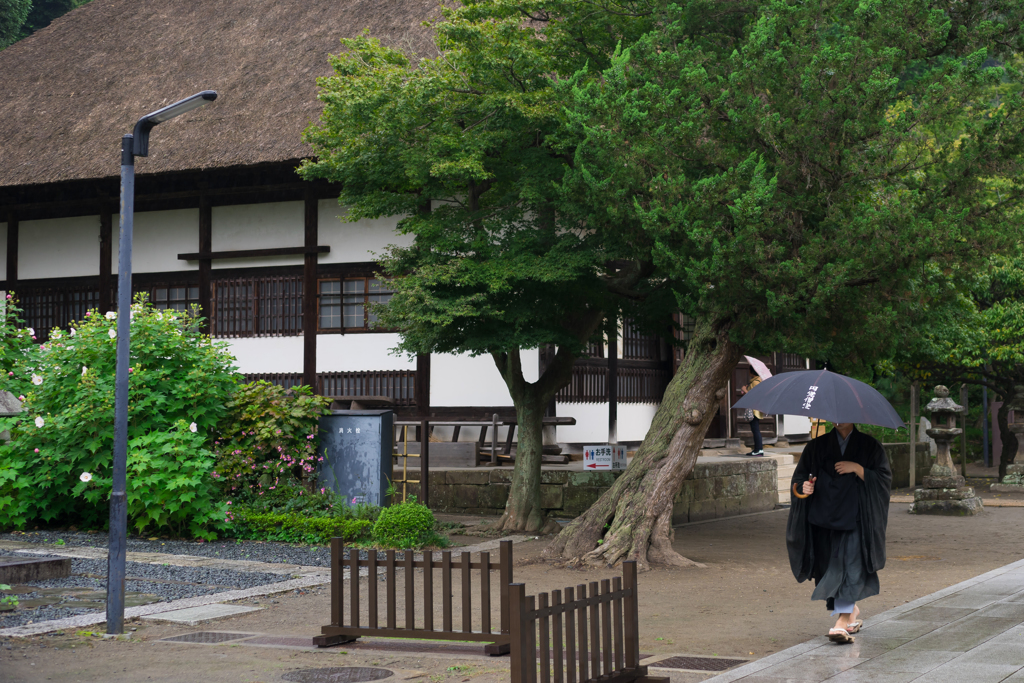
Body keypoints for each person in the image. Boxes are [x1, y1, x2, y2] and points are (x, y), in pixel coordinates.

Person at [786, 422, 891, 644]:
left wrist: (858, 468)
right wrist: (805, 487)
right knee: (829, 568)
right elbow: (799, 479)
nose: (839, 419)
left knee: (849, 567)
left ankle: (841, 623)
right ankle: (851, 613)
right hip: (824, 518)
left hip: (856, 519)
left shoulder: (870, 446)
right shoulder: (817, 446)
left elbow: (883, 480)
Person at [739, 374, 765, 456]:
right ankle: (758, 449)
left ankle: (758, 449)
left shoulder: (755, 383)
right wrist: (746, 390)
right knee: (755, 429)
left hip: (754, 410)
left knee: (755, 430)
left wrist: (744, 390)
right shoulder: (758, 382)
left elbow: (754, 397)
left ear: (751, 372)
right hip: (756, 409)